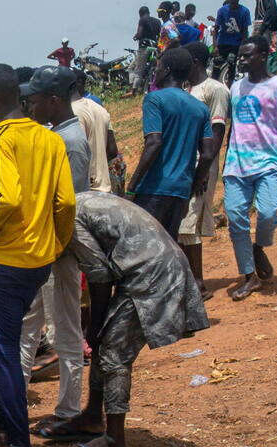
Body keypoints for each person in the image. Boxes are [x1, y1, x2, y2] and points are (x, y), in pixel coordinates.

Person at [0, 64, 75, 447]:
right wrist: (58, 242)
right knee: (8, 349)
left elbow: (7, 198)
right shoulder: (50, 138)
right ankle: (1, 434)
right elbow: (65, 203)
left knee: (5, 354)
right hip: (40, 260)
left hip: (6, 260)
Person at [53, 191, 208, 447]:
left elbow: (100, 274)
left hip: (152, 274)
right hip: (147, 268)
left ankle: (115, 441)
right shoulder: (75, 201)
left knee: (113, 352)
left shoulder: (66, 217)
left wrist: (94, 327)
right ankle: (92, 417)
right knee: (106, 344)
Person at [20, 65, 90, 435]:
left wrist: (55, 248)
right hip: (42, 250)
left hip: (58, 251)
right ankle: (13, 407)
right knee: (27, 327)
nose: (29, 104)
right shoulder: (55, 136)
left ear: (54, 100)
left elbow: (72, 205)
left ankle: (67, 412)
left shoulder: (70, 141)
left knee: (65, 330)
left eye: (34, 98)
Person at [224, 36, 277, 301]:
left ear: (264, 55)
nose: (242, 60)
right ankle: (249, 276)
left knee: (267, 213)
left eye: (247, 56)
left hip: (269, 162)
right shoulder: (235, 87)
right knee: (235, 218)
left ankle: (259, 248)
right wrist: (226, 161)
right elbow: (234, 126)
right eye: (241, 55)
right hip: (236, 164)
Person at [128, 48, 217, 240]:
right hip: (180, 192)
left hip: (153, 189)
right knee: (167, 248)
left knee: (143, 248)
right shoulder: (200, 108)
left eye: (158, 67)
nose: (155, 72)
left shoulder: (155, 99)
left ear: (167, 70)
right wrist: (191, 188)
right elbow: (208, 154)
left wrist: (131, 187)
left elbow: (154, 142)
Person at [180, 41, 230, 301]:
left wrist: (204, 170)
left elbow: (217, 132)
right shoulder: (187, 89)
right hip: (187, 164)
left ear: (195, 62)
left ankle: (197, 283)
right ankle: (189, 280)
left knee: (190, 223)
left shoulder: (216, 90)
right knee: (183, 223)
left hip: (202, 163)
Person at [71, 70, 119, 193]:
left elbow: (77, 154)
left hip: (84, 191)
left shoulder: (71, 112)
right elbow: (113, 150)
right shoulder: (98, 107)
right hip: (104, 188)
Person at [215, 0, 253, 72]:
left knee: (231, 66)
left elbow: (245, 32)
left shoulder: (245, 11)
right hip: (222, 43)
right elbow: (216, 29)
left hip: (236, 45)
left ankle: (230, 81)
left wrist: (243, 47)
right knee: (217, 66)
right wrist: (215, 46)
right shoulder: (222, 10)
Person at [133, 6, 164, 92]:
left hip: (144, 47)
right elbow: (160, 35)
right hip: (154, 47)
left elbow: (139, 34)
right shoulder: (157, 21)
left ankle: (134, 90)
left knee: (139, 69)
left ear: (140, 14)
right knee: (153, 67)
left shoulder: (142, 20)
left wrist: (136, 37)